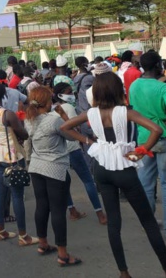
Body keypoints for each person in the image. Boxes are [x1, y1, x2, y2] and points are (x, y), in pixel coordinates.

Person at [61, 72, 166, 278]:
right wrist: (141, 151)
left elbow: (65, 127)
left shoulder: (91, 113)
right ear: (118, 90)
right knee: (148, 222)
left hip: (102, 168)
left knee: (114, 223)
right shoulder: (125, 112)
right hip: (124, 168)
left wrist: (88, 141)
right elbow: (156, 130)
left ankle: (124, 272)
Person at [25, 86, 83, 266]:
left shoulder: (30, 120)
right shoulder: (54, 120)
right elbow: (73, 137)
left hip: (36, 166)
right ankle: (63, 254)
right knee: (58, 209)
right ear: (48, 101)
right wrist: (64, 116)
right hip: (55, 167)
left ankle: (42, 243)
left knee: (42, 205)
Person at [129, 51, 166, 242]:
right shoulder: (163, 88)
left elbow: (134, 109)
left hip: (144, 139)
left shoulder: (134, 86)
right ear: (158, 65)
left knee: (146, 184)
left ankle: (148, 225)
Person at [0, 82, 35, 246]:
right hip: (12, 155)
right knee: (17, 196)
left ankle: (1, 230)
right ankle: (23, 235)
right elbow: (23, 134)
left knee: (0, 193)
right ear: (3, 95)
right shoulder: (7, 114)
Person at [52, 82, 107, 225]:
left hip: (61, 149)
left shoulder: (53, 108)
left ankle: (72, 211)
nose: (72, 95)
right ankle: (100, 213)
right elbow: (74, 126)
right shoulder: (69, 107)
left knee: (65, 182)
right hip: (73, 147)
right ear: (61, 94)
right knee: (88, 180)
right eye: (69, 92)